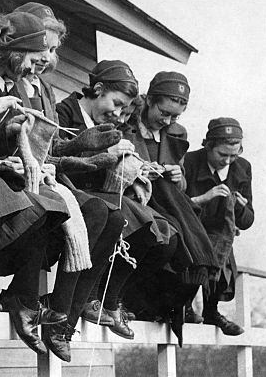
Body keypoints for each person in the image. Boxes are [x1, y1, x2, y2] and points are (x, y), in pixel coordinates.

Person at [0, 11, 127, 359]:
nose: (46, 55)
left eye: (53, 47)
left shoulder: (43, 86)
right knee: (63, 205)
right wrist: (79, 156)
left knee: (114, 218)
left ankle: (64, 318)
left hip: (41, 171)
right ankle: (39, 303)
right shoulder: (10, 79)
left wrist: (84, 148)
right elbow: (25, 141)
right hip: (19, 171)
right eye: (41, 45)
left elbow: (50, 144)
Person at [54, 61, 180, 349]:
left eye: (125, 110)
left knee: (162, 233)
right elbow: (62, 161)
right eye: (117, 104)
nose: (119, 113)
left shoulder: (105, 123)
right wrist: (109, 156)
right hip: (75, 192)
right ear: (97, 90)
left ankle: (108, 299)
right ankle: (89, 302)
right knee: (124, 220)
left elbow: (107, 166)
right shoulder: (64, 112)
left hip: (98, 193)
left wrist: (133, 170)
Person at [119, 72, 218, 334]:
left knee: (186, 226)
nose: (168, 121)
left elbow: (181, 186)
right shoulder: (125, 121)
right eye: (164, 113)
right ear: (149, 100)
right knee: (182, 232)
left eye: (175, 117)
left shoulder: (176, 133)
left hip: (167, 200)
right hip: (137, 197)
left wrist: (178, 175)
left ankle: (174, 300)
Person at [183, 117, 253, 336]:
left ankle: (212, 311)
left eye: (234, 155)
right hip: (189, 232)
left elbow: (247, 221)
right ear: (208, 145)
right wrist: (204, 197)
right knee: (199, 258)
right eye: (222, 155)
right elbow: (173, 203)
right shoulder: (190, 162)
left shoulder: (242, 168)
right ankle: (183, 307)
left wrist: (240, 208)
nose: (228, 161)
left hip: (219, 235)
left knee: (223, 263)